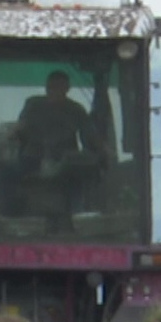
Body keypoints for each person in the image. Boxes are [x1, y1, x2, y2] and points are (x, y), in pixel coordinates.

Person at [9, 70, 114, 230]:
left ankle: (75, 219)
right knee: (7, 174)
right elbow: (19, 128)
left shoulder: (75, 110)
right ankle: (10, 220)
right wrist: (9, 135)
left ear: (67, 89)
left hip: (66, 164)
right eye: (51, 87)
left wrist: (104, 149)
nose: (54, 91)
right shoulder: (33, 105)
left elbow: (90, 136)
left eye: (59, 87)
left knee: (80, 178)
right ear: (46, 87)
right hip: (32, 159)